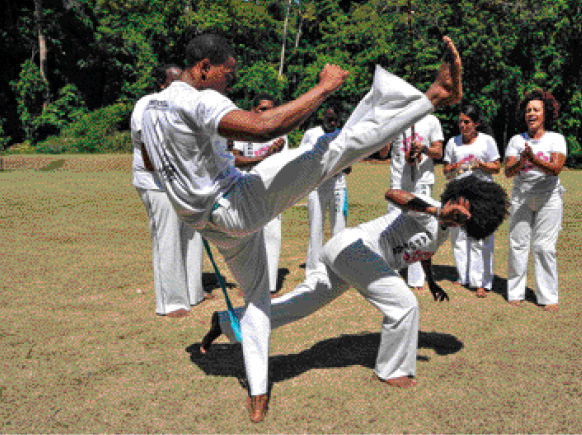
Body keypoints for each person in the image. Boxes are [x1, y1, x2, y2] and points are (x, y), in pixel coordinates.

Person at [138, 33, 462, 422]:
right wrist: (323, 89)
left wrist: (200, 175)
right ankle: (435, 95)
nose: (230, 82)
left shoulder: (144, 108)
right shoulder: (198, 98)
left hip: (206, 222)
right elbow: (262, 127)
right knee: (331, 149)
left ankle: (258, 394)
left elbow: (154, 165)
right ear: (203, 68)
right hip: (236, 207)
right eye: (227, 73)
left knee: (258, 298)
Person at [200, 175, 509, 389]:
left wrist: (431, 281)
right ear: (459, 196)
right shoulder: (427, 206)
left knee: (300, 303)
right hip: (354, 248)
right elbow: (393, 195)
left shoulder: (442, 230)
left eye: (469, 220)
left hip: (351, 258)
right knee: (404, 305)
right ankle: (391, 370)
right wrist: (437, 210)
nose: (462, 218)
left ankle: (228, 322)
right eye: (465, 210)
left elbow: (421, 251)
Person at [131, 64, 208, 318]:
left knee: (192, 234)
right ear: (162, 83)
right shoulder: (147, 104)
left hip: (181, 182)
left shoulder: (182, 103)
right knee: (168, 237)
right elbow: (148, 149)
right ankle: (171, 302)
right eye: (174, 80)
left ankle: (193, 292)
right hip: (155, 183)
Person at [503, 89, 567, 312]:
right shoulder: (516, 140)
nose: (531, 113)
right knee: (518, 244)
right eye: (528, 110)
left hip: (548, 199)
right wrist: (522, 160)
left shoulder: (556, 139)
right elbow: (508, 172)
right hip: (521, 198)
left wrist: (533, 159)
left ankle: (548, 296)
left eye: (536, 110)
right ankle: (515, 292)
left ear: (545, 114)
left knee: (543, 247)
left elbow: (556, 168)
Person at [229, 94, 287, 294]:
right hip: (245, 188)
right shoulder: (242, 131)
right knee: (247, 238)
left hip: (272, 190)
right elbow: (234, 159)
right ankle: (248, 284)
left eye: (271, 108)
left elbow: (283, 163)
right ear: (253, 111)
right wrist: (264, 156)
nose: (267, 113)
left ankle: (269, 286)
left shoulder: (281, 133)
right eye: (262, 109)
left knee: (272, 236)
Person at [378, 114, 444, 290]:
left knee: (420, 229)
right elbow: (383, 153)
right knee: (393, 228)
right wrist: (386, 135)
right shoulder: (396, 118)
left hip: (422, 182)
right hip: (398, 182)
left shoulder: (431, 120)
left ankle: (416, 279)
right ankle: (392, 273)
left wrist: (423, 149)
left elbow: (439, 152)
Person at [443, 106, 501, 298]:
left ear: (476, 124)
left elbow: (496, 167)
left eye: (467, 122)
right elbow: (446, 171)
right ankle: (463, 277)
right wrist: (456, 166)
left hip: (482, 194)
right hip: (458, 193)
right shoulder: (453, 142)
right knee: (458, 237)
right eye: (460, 121)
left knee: (480, 238)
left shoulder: (487, 141)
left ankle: (481, 282)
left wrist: (481, 164)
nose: (462, 125)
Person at [301, 102, 351, 277]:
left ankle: (338, 268)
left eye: (335, 121)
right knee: (316, 227)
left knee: (339, 228)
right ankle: (313, 269)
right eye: (329, 119)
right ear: (323, 116)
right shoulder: (311, 134)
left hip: (338, 185)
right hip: (316, 187)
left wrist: (342, 166)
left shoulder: (343, 135)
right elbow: (303, 158)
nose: (332, 123)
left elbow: (348, 166)